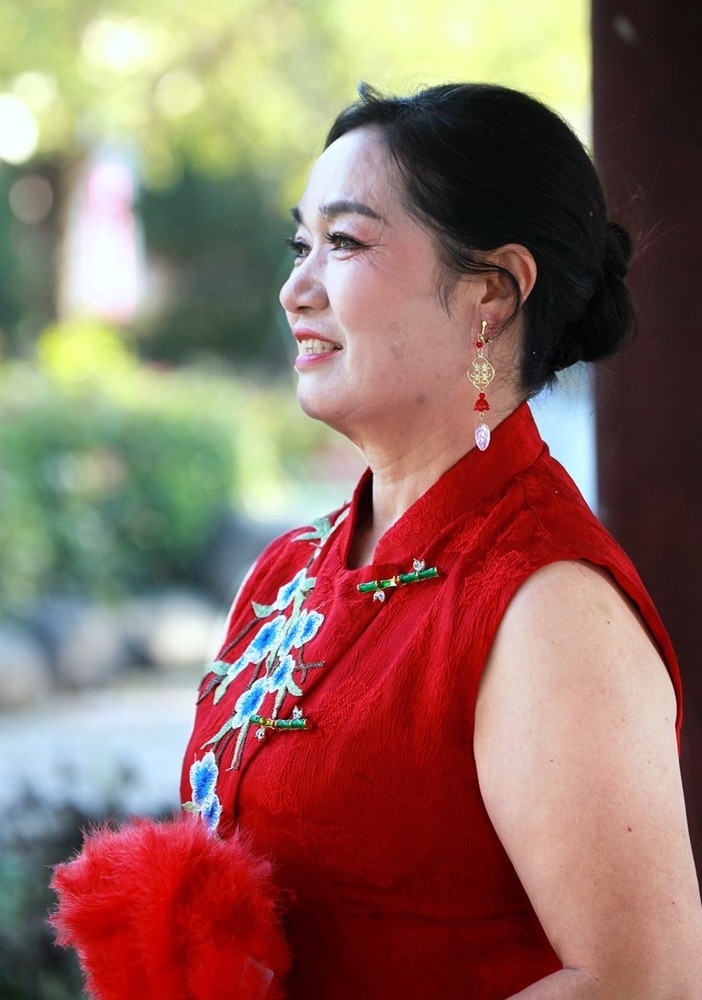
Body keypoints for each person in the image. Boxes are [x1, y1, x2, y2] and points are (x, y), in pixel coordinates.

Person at [53, 83, 702, 999]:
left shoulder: (547, 603)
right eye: (300, 246)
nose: (295, 289)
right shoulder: (286, 571)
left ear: (490, 293)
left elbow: (642, 984)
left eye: (346, 243)